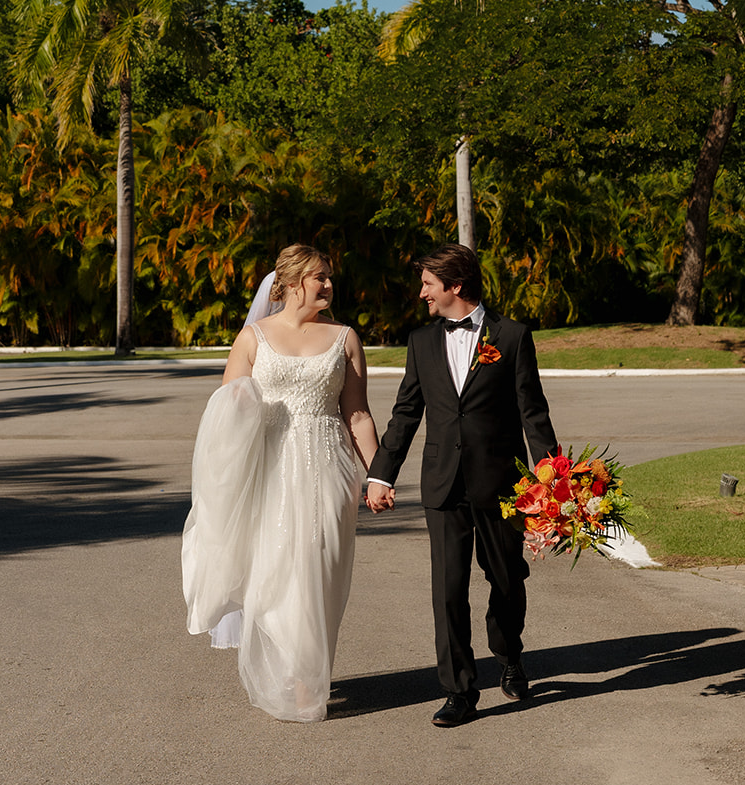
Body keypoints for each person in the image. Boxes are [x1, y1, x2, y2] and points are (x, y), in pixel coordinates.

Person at [181, 245, 379, 722]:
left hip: (329, 467)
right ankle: (296, 673)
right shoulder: (253, 337)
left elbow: (357, 413)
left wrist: (378, 474)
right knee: (276, 572)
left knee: (321, 568)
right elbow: (226, 412)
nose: (327, 285)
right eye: (318, 277)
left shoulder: (346, 338)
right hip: (269, 468)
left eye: (329, 276)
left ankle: (310, 668)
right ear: (290, 283)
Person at [366, 243, 557, 727]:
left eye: (428, 283)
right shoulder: (421, 342)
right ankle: (459, 691)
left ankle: (509, 655)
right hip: (443, 484)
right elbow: (406, 412)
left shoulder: (512, 337)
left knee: (508, 581)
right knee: (448, 591)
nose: (422, 292)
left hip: (502, 486)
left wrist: (553, 479)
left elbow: (533, 413)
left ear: (455, 286)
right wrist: (380, 474)